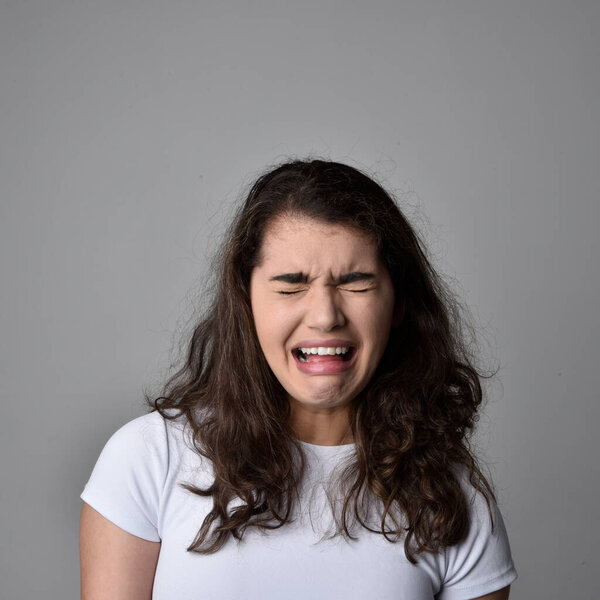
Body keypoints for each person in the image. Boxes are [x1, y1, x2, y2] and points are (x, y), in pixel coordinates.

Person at [80, 159, 517, 599]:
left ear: (398, 303)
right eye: (291, 286)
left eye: (356, 283)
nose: (326, 316)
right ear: (245, 300)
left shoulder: (451, 496)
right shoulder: (148, 459)